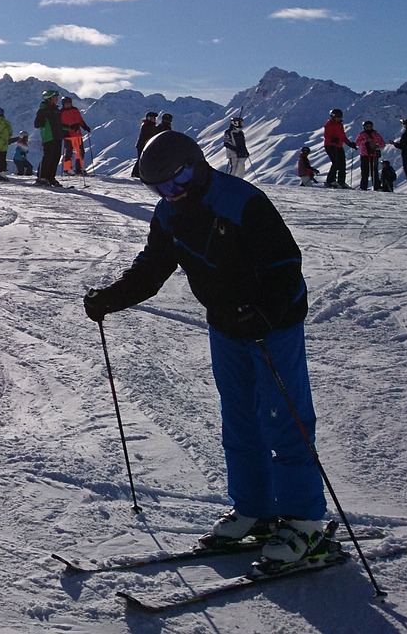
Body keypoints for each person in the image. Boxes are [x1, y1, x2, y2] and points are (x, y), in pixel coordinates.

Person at [84, 131, 329, 565]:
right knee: (239, 417)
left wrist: (263, 314)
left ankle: (305, 522)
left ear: (196, 166)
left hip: (273, 325)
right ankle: (255, 509)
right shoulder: (168, 214)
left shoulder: (242, 202)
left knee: (284, 415)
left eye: (176, 183)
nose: (170, 194)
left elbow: (286, 265)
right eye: (158, 188)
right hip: (225, 325)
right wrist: (111, 298)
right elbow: (152, 268)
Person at [33, 90, 65, 187]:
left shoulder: (56, 110)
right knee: (48, 156)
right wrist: (42, 122)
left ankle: (50, 177)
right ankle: (42, 177)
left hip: (57, 136)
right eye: (55, 97)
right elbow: (37, 124)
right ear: (49, 98)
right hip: (48, 136)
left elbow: (60, 124)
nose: (57, 99)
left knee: (56, 157)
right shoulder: (43, 110)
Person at [352, 121, 388, 190]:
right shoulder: (362, 134)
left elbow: (382, 143)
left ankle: (376, 187)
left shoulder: (376, 134)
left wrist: (376, 145)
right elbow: (357, 143)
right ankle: (363, 187)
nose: (368, 128)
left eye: (370, 127)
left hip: (374, 155)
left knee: (374, 171)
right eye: (367, 127)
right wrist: (365, 141)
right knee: (365, 171)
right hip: (364, 155)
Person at [59, 96, 89, 175]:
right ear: (63, 104)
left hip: (77, 134)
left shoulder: (75, 110)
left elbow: (80, 120)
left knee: (80, 152)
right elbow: (60, 125)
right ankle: (67, 169)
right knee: (69, 152)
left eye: (69, 103)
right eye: (66, 103)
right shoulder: (61, 113)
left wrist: (85, 127)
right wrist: (66, 130)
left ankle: (80, 169)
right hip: (68, 135)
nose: (68, 105)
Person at [322, 110, 350, 189]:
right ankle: (330, 181)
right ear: (333, 116)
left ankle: (341, 182)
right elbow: (327, 135)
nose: (339, 119)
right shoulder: (329, 124)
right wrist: (333, 139)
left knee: (342, 164)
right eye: (337, 117)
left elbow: (342, 136)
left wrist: (349, 143)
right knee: (336, 163)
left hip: (338, 146)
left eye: (340, 117)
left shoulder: (340, 125)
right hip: (330, 146)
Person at [133, 112, 160, 177]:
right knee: (141, 159)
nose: (154, 119)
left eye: (155, 118)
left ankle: (138, 173)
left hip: (145, 145)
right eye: (153, 118)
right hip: (142, 145)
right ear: (149, 118)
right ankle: (136, 173)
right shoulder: (146, 125)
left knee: (142, 159)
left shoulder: (150, 125)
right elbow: (148, 134)